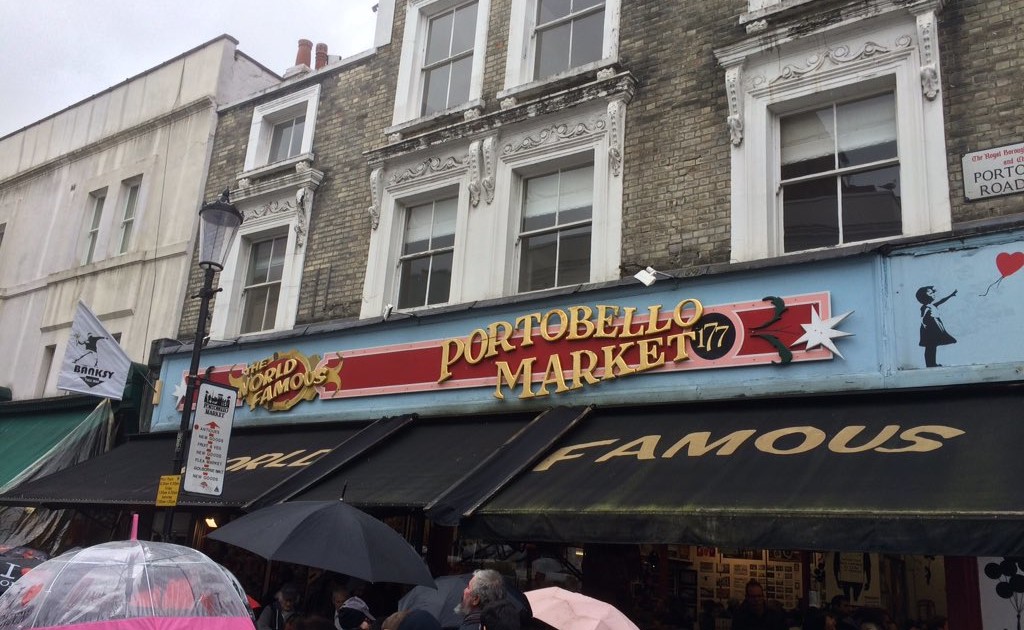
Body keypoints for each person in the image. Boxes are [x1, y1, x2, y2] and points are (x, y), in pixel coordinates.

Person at [916, 285, 957, 367]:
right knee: (930, 347)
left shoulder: (932, 306)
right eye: (931, 293)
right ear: (925, 296)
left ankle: (932, 363)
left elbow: (941, 301)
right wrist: (927, 324)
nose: (933, 294)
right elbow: (923, 318)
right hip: (929, 330)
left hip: (933, 328)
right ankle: (930, 364)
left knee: (932, 347)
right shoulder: (925, 307)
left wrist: (951, 295)